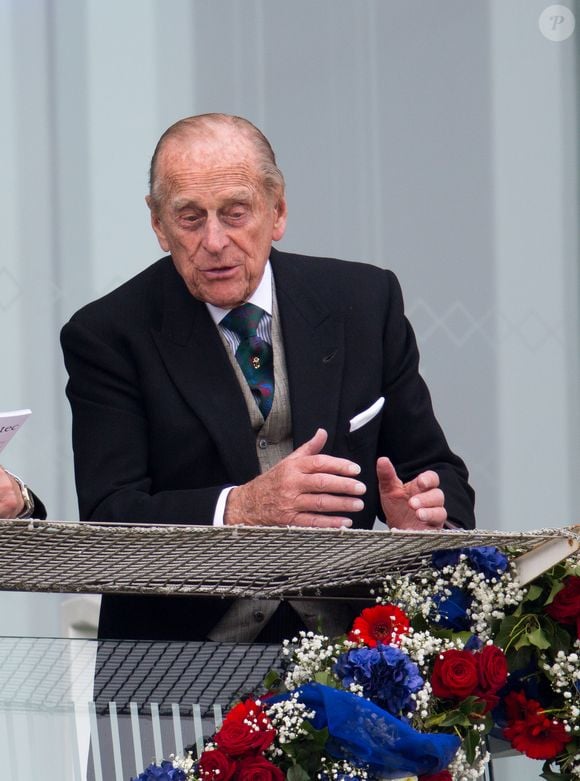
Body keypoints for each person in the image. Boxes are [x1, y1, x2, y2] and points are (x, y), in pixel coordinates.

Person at [61, 113, 475, 642]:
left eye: (235, 214)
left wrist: (421, 521)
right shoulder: (106, 334)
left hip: (355, 656)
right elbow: (108, 517)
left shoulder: (363, 302)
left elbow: (437, 469)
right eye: (190, 218)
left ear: (276, 212)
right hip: (181, 664)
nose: (214, 241)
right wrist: (238, 509)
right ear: (158, 224)